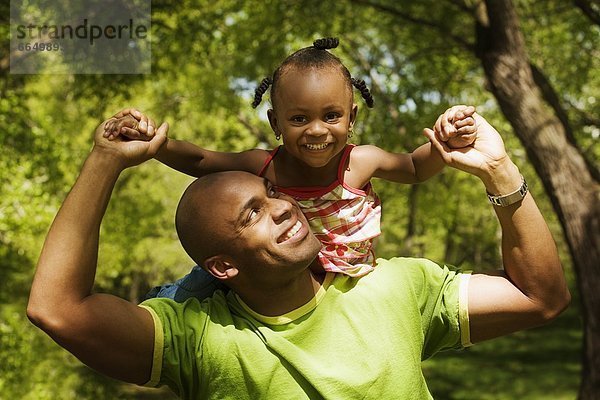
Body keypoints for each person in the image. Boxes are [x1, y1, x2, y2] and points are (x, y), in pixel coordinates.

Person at [28, 108, 570, 399]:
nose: (284, 209)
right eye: (252, 215)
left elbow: (540, 297)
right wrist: (105, 161)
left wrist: (500, 173)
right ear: (222, 267)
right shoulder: (199, 338)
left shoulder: (398, 287)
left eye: (274, 196)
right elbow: (57, 309)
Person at [103, 38, 478, 301]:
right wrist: (158, 146)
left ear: (352, 118)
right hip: (282, 281)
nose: (317, 130)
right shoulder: (264, 166)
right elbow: (202, 161)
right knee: (204, 289)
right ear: (275, 123)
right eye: (299, 118)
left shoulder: (361, 161)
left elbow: (414, 167)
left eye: (331, 116)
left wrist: (444, 141)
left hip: (348, 279)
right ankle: (158, 304)